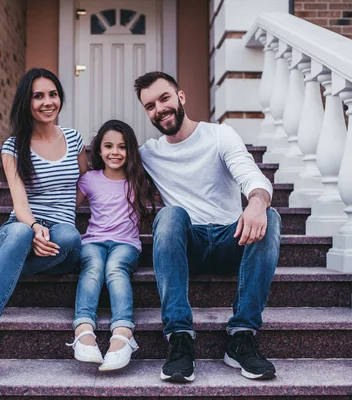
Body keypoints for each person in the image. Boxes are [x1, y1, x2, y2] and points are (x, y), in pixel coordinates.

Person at [134, 71, 281, 383]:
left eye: (164, 98)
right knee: (170, 215)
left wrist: (256, 202)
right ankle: (179, 337)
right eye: (150, 106)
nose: (159, 109)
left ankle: (241, 336)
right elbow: (104, 163)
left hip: (232, 239)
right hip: (191, 245)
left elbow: (251, 175)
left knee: (273, 216)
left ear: (181, 97)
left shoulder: (220, 135)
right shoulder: (149, 153)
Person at [0, 68, 88, 387]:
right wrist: (36, 227)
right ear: (27, 102)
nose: (48, 102)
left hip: (58, 239)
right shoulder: (13, 146)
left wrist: (67, 210)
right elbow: (20, 204)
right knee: (22, 233)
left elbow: (86, 182)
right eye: (39, 96)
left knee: (71, 236)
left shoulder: (74, 138)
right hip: (20, 228)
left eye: (53, 94)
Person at [68, 119, 154, 371]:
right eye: (108, 146)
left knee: (115, 269)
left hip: (126, 244)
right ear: (99, 150)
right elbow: (67, 208)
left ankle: (123, 331)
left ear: (131, 151)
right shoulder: (90, 179)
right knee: (93, 266)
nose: (115, 152)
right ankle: (83, 329)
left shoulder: (139, 180)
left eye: (122, 147)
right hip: (93, 241)